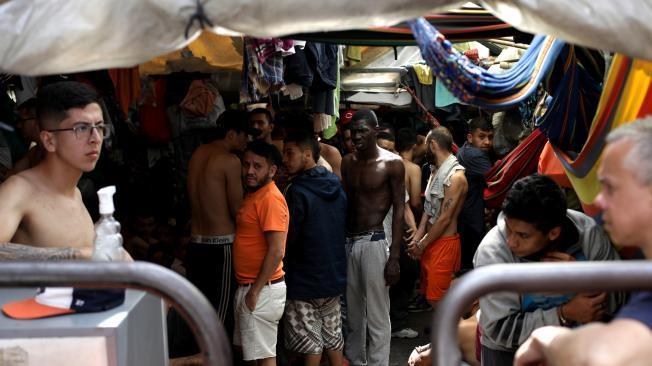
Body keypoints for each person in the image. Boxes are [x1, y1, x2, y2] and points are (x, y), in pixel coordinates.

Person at [515, 117, 652, 366]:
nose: (598, 201)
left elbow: (615, 354)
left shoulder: (589, 234)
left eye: (610, 187)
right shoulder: (645, 263)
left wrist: (547, 338)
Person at [476, 174, 623, 365]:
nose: (511, 241)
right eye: (508, 229)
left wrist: (584, 278)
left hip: (577, 350)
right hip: (511, 356)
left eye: (522, 235)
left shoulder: (587, 234)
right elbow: (500, 330)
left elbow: (620, 298)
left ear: (554, 233)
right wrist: (564, 313)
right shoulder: (493, 254)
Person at [0, 81, 108, 260]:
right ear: (49, 140)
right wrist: (76, 254)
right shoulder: (19, 190)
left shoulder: (75, 193)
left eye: (100, 127)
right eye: (81, 128)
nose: (95, 138)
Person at [341, 109, 404, 366]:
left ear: (376, 131)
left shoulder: (392, 163)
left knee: (377, 316)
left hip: (375, 241)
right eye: (354, 131)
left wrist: (395, 256)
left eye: (363, 130)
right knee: (353, 316)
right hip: (349, 242)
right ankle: (356, 362)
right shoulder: (347, 162)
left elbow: (400, 207)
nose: (356, 136)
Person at [281, 130, 347, 366]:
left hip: (304, 279)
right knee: (333, 338)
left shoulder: (295, 190)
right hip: (333, 276)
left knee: (310, 344)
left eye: (290, 153)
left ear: (307, 155)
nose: (285, 159)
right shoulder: (335, 183)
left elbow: (289, 238)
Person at [187, 109, 250, 338]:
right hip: (220, 247)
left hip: (196, 245)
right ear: (232, 134)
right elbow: (237, 210)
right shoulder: (229, 161)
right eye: (245, 135)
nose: (247, 141)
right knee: (221, 317)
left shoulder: (198, 154)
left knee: (199, 312)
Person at [233, 140, 289, 366]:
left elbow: (277, 251)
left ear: (272, 170)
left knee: (264, 358)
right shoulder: (255, 195)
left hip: (262, 289)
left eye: (257, 166)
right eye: (246, 165)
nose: (249, 171)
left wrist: (255, 292)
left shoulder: (270, 199)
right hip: (252, 287)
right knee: (252, 354)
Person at [407, 127, 467, 308]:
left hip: (444, 243)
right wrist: (417, 239)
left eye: (426, 145)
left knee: (439, 299)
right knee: (431, 294)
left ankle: (453, 336)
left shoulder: (456, 177)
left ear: (432, 145)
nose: (424, 150)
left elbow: (444, 219)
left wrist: (421, 244)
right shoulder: (435, 171)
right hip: (430, 242)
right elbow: (428, 211)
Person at [456, 116, 494, 269]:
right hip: (471, 217)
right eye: (482, 137)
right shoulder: (474, 155)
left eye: (490, 137)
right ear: (470, 137)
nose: (487, 142)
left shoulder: (465, 150)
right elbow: (496, 179)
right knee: (473, 263)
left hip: (468, 213)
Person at [11, 98, 46, 173]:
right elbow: (13, 174)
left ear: (36, 121)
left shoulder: (53, 153)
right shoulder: (34, 152)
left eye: (21, 120)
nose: (18, 125)